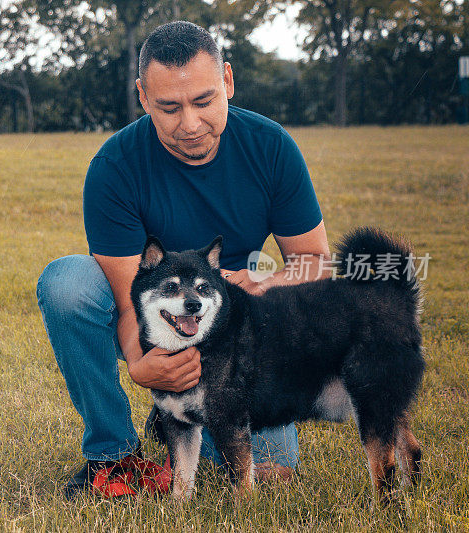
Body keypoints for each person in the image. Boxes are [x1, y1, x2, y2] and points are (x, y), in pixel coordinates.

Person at [36, 21, 331, 499]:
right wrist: (139, 361)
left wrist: (267, 284)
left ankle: (173, 410)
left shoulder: (271, 147)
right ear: (143, 97)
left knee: (272, 470)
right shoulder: (114, 167)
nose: (189, 124)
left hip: (234, 333)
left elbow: (316, 262)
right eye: (169, 107)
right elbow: (129, 299)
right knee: (68, 284)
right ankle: (113, 457)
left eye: (204, 101)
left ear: (228, 83)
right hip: (154, 313)